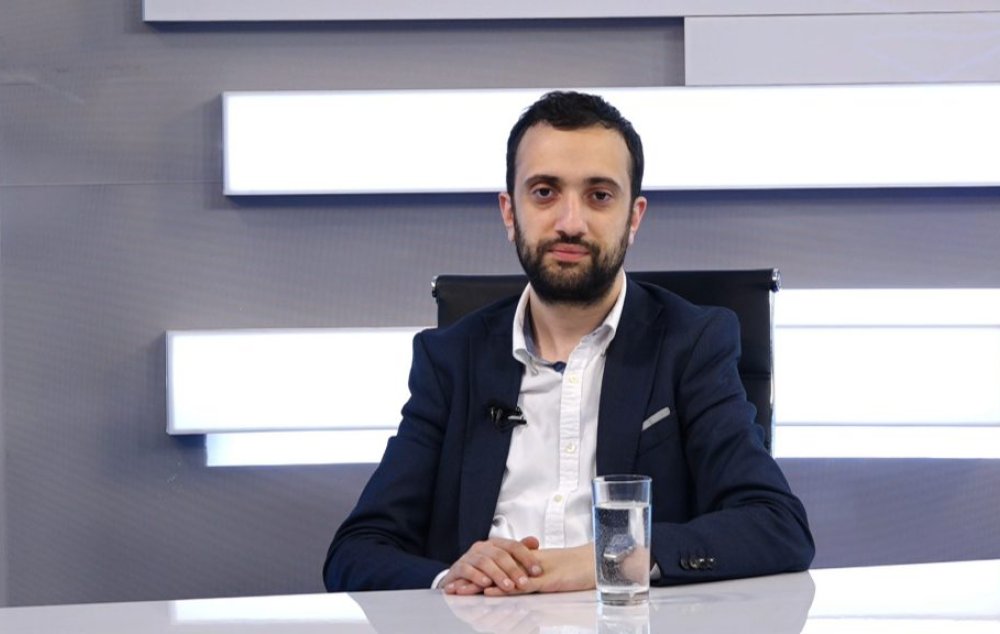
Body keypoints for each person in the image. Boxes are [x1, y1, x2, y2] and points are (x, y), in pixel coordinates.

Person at [323, 91, 814, 595]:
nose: (570, 223)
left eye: (599, 195)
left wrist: (608, 560)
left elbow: (777, 525)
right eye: (544, 192)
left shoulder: (692, 345)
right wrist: (453, 578)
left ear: (634, 217)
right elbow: (357, 551)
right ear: (509, 212)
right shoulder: (451, 359)